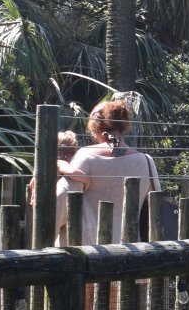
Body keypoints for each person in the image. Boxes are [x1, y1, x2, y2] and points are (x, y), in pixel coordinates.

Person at [59, 99, 160, 246]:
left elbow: (62, 198)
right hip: (131, 250)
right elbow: (156, 209)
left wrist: (58, 165)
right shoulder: (146, 162)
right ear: (124, 126)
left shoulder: (86, 156)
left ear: (95, 128)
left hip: (86, 250)